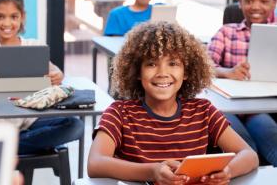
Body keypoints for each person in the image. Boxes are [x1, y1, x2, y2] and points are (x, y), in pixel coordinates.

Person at [88, 21, 258, 184]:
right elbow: (95, 163)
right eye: (151, 64)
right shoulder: (119, 113)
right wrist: (152, 171)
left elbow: (249, 155)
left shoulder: (203, 111)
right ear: (137, 72)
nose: (163, 73)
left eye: (173, 63)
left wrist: (228, 171)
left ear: (186, 72)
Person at [0, 0, 84, 154]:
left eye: (14, 17)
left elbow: (54, 69)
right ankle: (15, 144)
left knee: (75, 125)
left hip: (30, 119)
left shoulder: (33, 45)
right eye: (0, 17)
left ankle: (9, 147)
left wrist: (58, 74)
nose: (7, 23)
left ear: (22, 17)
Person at [208, 0, 277, 166]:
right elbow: (203, 66)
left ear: (274, 3)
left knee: (273, 141)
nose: (256, 6)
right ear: (240, 2)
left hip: (258, 109)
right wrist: (226, 72)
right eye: (249, 0)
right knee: (247, 151)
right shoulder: (227, 32)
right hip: (228, 109)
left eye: (264, 1)